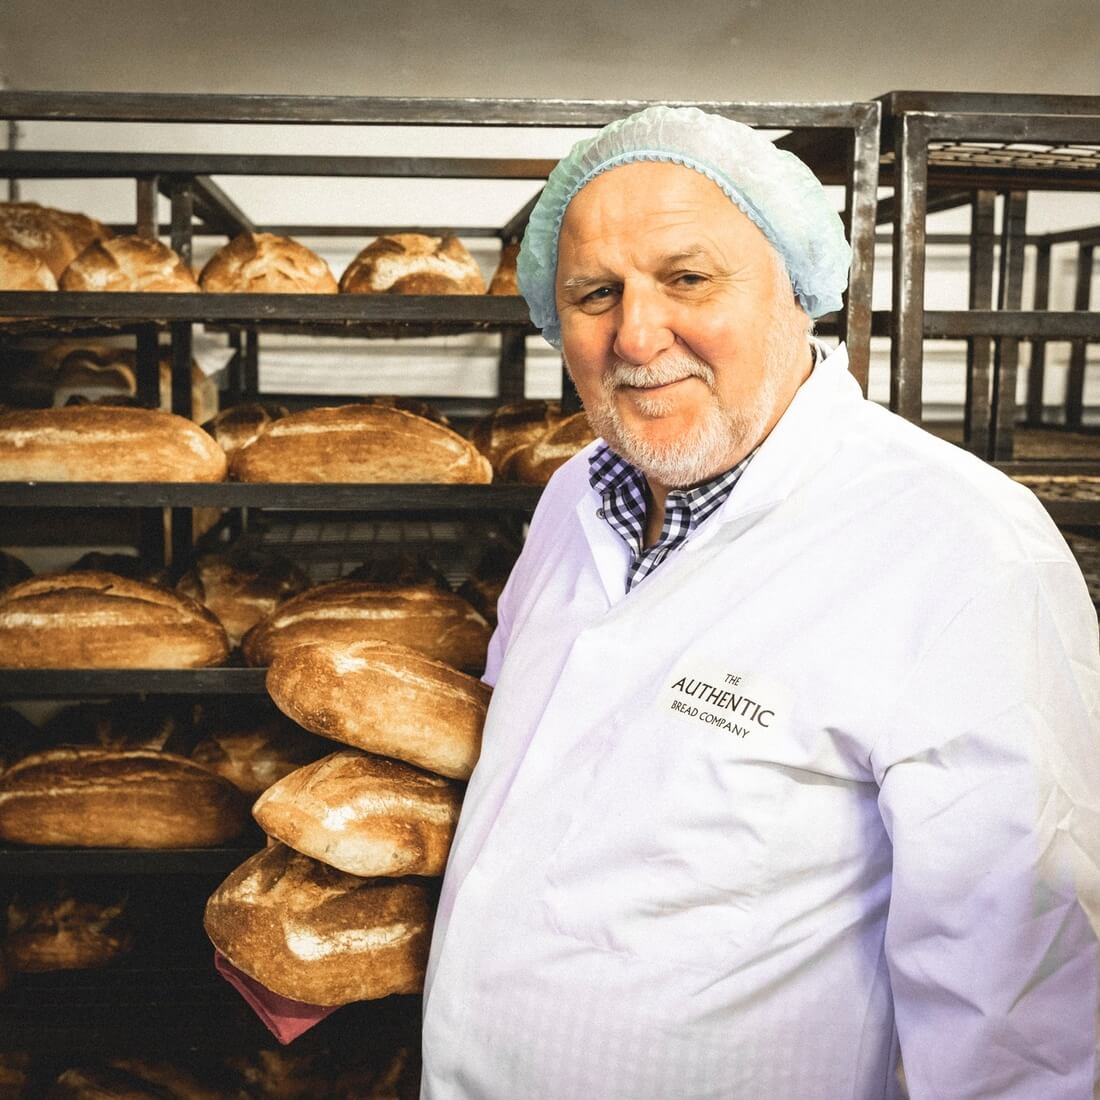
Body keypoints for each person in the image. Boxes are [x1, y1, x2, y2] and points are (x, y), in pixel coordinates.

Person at [420, 106, 1100, 1099]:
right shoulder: (575, 495)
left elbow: (1015, 1010)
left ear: (796, 288)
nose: (636, 333)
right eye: (594, 292)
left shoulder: (959, 544)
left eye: (686, 278)